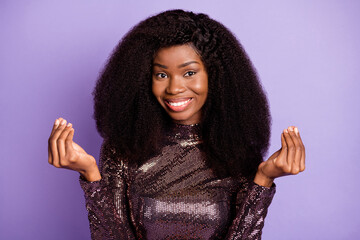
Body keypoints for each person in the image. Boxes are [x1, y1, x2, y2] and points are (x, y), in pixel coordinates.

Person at [48, 9, 305, 240]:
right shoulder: (125, 149)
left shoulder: (235, 150)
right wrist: (91, 175)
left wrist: (264, 180)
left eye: (189, 73)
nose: (174, 88)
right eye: (161, 74)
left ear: (214, 76)